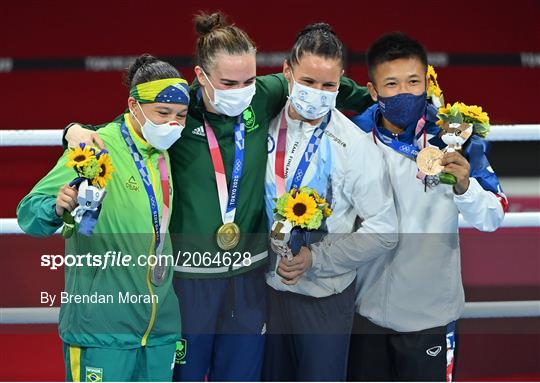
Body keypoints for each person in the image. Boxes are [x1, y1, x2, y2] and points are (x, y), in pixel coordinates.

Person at [63, 12, 374, 381]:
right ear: (201, 76)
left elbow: (325, 83)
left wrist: (383, 100)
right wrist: (73, 129)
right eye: (228, 82)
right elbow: (122, 133)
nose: (241, 90)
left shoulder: (262, 95)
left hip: (249, 279)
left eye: (248, 80)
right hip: (189, 280)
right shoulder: (179, 114)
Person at [17, 54, 190, 381]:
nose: (173, 124)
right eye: (163, 113)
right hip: (101, 329)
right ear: (134, 105)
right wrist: (56, 206)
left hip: (159, 331)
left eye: (181, 116)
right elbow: (28, 213)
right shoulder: (96, 146)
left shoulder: (165, 154)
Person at [345, 32, 507, 381]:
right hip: (365, 312)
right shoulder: (352, 136)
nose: (405, 92)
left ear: (427, 81)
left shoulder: (455, 137)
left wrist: (466, 187)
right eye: (392, 83)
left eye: (413, 81)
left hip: (431, 317)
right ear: (373, 91)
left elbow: (493, 217)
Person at [262, 23, 398, 381]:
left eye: (328, 86)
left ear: (341, 83)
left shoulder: (354, 146)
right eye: (308, 82)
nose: (317, 94)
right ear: (287, 72)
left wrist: (315, 259)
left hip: (324, 299)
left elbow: (385, 231)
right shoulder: (261, 125)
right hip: (260, 295)